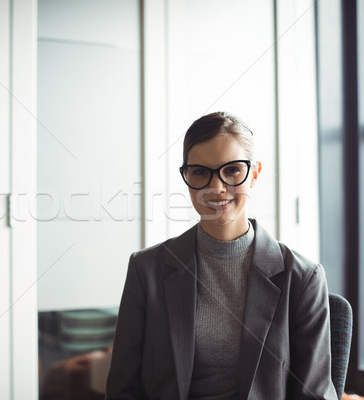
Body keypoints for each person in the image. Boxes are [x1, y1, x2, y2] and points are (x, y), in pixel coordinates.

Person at [105, 112, 337, 399]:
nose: (216, 188)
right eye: (200, 172)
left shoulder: (303, 278)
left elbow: (313, 394)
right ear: (187, 176)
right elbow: (122, 389)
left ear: (254, 173)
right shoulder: (146, 269)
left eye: (232, 171)